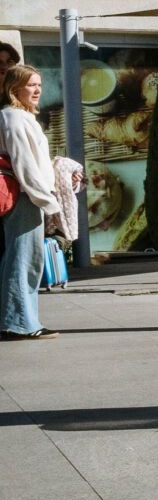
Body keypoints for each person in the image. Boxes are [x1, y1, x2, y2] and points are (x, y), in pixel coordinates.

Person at [2, 65, 59, 340]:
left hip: (27, 196)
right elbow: (24, 164)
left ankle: (20, 320)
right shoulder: (13, 117)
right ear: (15, 88)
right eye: (30, 85)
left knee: (24, 259)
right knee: (23, 259)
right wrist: (47, 200)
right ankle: (18, 323)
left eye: (39, 84)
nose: (37, 90)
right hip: (25, 197)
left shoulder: (21, 116)